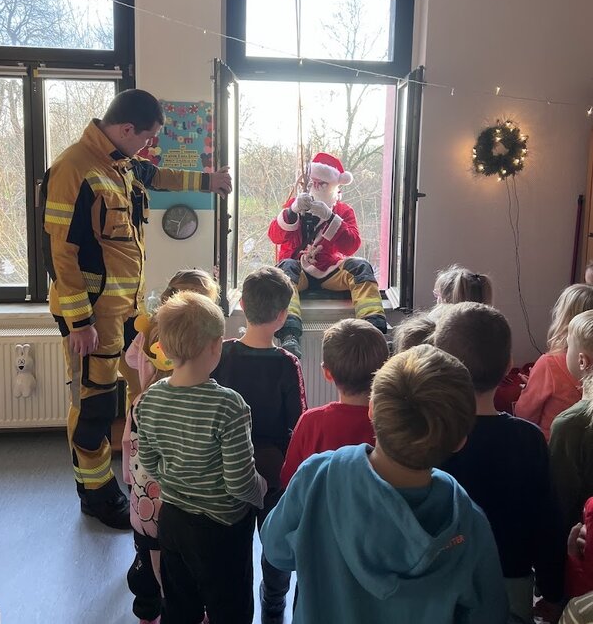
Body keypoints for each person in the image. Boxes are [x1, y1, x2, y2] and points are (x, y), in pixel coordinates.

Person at [40, 88, 232, 529]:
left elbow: (158, 176)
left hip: (125, 311)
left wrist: (210, 182)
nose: (146, 148)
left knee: (134, 395)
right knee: (94, 406)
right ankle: (95, 493)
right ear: (126, 129)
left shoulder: (120, 164)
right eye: (145, 138)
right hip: (91, 317)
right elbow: (60, 255)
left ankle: (134, 476)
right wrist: (79, 322)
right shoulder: (75, 169)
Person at [261, 344, 509, 624]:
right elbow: (488, 613)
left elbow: (276, 549)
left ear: (371, 410)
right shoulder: (467, 520)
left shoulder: (316, 476)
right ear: (459, 441)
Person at [137, 291, 267, 624]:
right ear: (216, 346)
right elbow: (239, 482)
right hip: (222, 529)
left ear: (163, 348)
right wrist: (261, 491)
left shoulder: (149, 399)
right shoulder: (229, 406)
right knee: (231, 607)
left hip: (174, 520)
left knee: (179, 604)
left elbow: (149, 466)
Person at [434, 302, 565, 624]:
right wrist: (552, 590)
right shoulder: (528, 439)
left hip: (437, 578)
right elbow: (546, 522)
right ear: (509, 365)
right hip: (510, 581)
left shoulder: (431, 435)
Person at [122, 269, 219, 624]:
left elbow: (132, 458)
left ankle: (151, 608)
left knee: (149, 555)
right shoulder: (212, 400)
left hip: (145, 502)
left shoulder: (142, 403)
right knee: (188, 560)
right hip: (189, 506)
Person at [212, 266, 306, 624]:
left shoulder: (220, 353)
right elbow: (299, 423)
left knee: (232, 543)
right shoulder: (287, 363)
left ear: (241, 304)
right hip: (274, 472)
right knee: (275, 543)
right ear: (282, 317)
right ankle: (273, 605)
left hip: (226, 468)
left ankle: (233, 605)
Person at [268, 152, 387, 358]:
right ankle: (289, 334)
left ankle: (373, 331)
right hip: (299, 271)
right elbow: (274, 236)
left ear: (334, 186)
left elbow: (352, 245)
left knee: (361, 268)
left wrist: (331, 217)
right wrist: (292, 211)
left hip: (329, 270)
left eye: (321, 184)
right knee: (285, 269)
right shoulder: (293, 206)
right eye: (313, 183)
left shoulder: (344, 210)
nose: (316, 187)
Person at [280, 318, 388, 488]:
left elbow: (289, 480)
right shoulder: (393, 422)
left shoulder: (310, 422)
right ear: (384, 369)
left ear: (327, 373)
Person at [515, 284, 593, 440]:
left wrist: (528, 390)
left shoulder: (549, 364)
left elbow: (524, 414)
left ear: (563, 318)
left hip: (551, 450)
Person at [549, 310, 593, 535]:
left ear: (582, 361)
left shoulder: (569, 423)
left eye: (568, 346)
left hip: (580, 539)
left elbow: (559, 499)